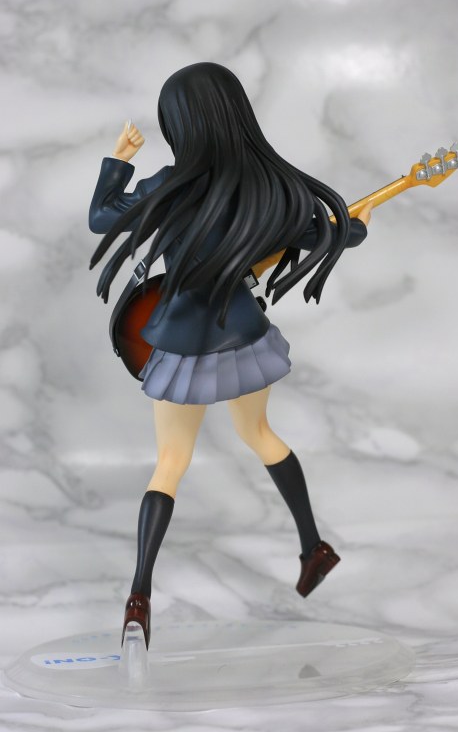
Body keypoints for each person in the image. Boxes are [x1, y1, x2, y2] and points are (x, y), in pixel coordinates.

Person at [88, 62, 372, 649]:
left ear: (181, 126)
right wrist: (355, 226)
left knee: (171, 462)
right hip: (242, 336)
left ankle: (139, 598)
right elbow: (333, 234)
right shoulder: (268, 189)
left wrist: (118, 160)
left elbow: (102, 218)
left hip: (182, 343)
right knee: (261, 434)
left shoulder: (169, 186)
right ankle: (314, 548)